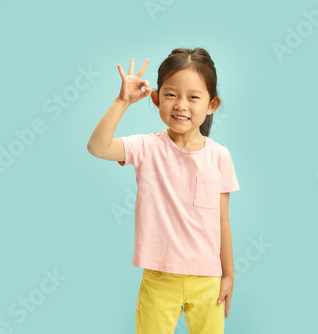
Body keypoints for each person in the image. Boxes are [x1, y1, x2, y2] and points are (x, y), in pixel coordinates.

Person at [87, 47, 240, 334]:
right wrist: (122, 101)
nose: (181, 105)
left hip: (207, 278)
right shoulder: (146, 147)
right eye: (171, 95)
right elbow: (97, 147)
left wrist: (229, 274)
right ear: (156, 99)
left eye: (193, 97)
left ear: (212, 104)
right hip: (159, 276)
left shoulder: (220, 156)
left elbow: (222, 221)